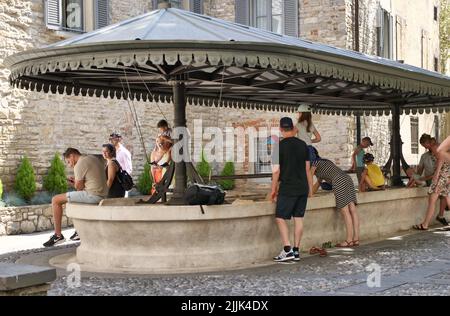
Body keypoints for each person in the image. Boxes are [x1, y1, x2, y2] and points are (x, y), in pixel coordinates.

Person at [43, 148, 108, 247]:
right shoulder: (92, 158)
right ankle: (79, 230)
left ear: (72, 156)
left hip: (93, 195)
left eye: (68, 161)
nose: (69, 165)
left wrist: (75, 183)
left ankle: (58, 235)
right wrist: (77, 182)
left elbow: (79, 187)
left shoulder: (79, 164)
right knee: (73, 200)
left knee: (56, 200)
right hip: (103, 194)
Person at [271, 117, 313, 262]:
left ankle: (287, 249)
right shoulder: (303, 145)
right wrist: (310, 188)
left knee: (280, 217)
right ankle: (296, 251)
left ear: (281, 129)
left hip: (288, 187)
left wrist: (273, 190)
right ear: (293, 128)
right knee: (298, 218)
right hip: (302, 187)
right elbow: (308, 168)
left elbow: (276, 171)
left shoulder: (278, 146)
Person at [310, 148, 360, 247]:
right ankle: (356, 239)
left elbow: (308, 177)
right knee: (352, 210)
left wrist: (307, 193)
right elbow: (317, 184)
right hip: (347, 178)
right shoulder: (324, 162)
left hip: (339, 181)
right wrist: (311, 192)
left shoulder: (314, 163)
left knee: (345, 212)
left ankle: (349, 240)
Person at [414, 154, 450, 230]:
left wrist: (434, 180)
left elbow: (437, 173)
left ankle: (425, 224)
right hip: (446, 179)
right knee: (447, 199)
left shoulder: (442, 154)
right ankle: (425, 224)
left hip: (440, 180)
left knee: (432, 202)